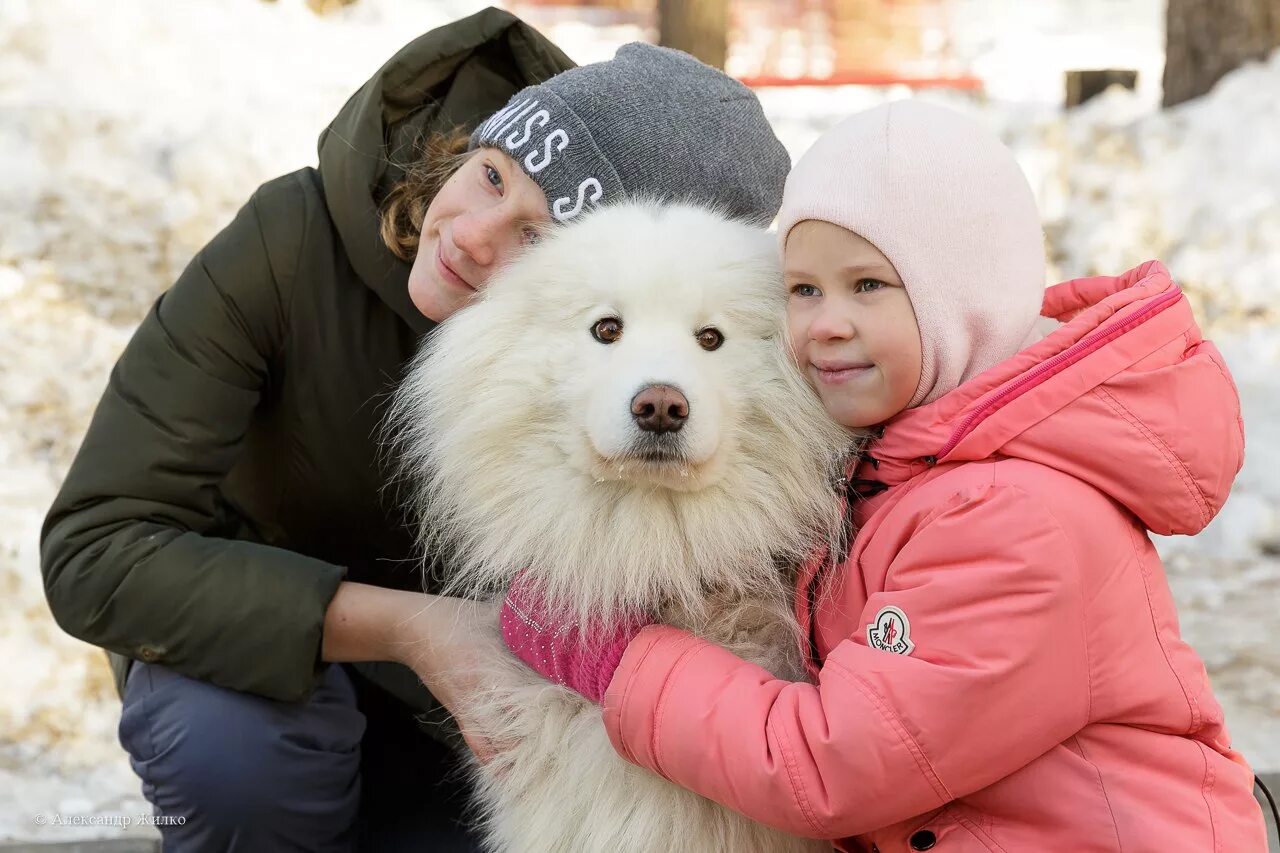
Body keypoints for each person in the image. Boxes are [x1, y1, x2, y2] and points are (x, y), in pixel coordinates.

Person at [38, 7, 791, 850]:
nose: (470, 234)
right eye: (493, 176)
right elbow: (93, 547)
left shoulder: (618, 353)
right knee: (233, 758)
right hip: (262, 672)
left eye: (536, 235)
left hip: (463, 721)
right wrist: (410, 626)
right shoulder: (288, 244)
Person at [494, 101, 1269, 851]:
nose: (827, 322)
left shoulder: (1017, 516)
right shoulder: (910, 464)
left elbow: (835, 764)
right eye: (804, 289)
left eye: (868, 284)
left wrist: (618, 662)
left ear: (960, 299)